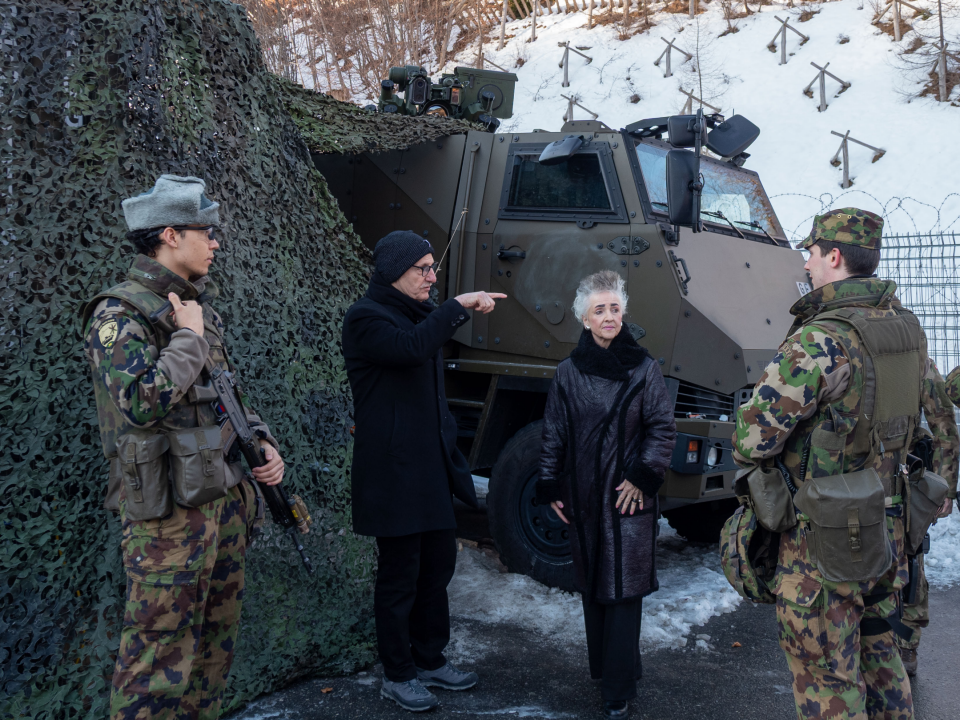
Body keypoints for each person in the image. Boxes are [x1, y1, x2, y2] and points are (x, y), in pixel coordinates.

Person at [733, 208, 958, 720]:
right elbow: (929, 416)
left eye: (811, 255)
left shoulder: (821, 338)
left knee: (826, 676)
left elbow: (753, 435)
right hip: (889, 528)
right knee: (882, 658)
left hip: (826, 541)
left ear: (834, 257)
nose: (806, 265)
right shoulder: (905, 328)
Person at [82, 175, 285, 720]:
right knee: (156, 664)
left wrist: (261, 441)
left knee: (212, 654)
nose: (216, 242)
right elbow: (141, 402)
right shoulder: (118, 315)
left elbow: (225, 393)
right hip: (166, 520)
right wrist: (188, 338)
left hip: (221, 501)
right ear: (170, 235)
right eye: (207, 231)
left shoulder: (195, 308)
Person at [341, 230, 505, 712]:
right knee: (400, 576)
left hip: (430, 468)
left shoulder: (419, 316)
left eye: (434, 268)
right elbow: (412, 347)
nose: (432, 277)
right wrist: (456, 304)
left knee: (437, 568)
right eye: (424, 269)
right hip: (393, 474)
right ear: (395, 271)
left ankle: (430, 659)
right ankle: (398, 673)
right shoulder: (366, 318)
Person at [537, 270, 676, 720]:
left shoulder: (645, 368)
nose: (609, 316)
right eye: (600, 309)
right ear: (583, 318)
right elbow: (554, 433)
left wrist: (642, 477)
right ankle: (614, 672)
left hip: (627, 496)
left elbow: (662, 428)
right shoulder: (566, 373)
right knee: (595, 588)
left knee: (623, 591)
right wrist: (550, 484)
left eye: (615, 308)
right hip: (582, 497)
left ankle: (617, 690)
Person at [898, 372, 960, 675]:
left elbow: (943, 425)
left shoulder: (916, 358)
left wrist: (945, 488)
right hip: (856, 474)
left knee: (911, 556)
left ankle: (906, 643)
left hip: (907, 476)